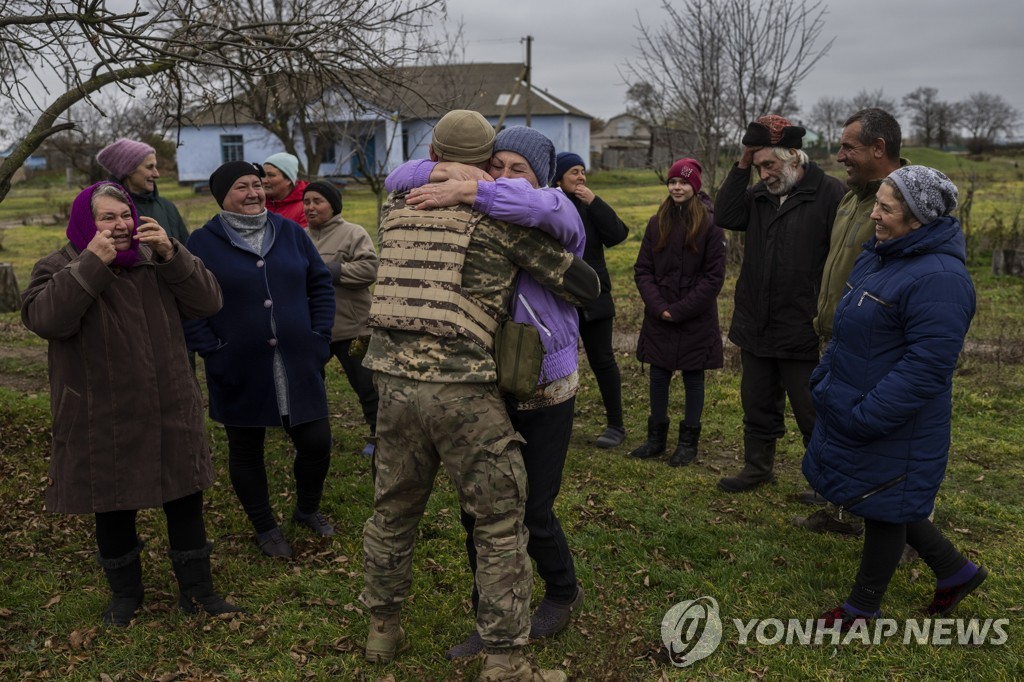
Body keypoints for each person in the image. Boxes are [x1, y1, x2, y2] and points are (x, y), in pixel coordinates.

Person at [360, 110, 598, 682]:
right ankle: (506, 661)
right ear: (486, 161)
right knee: (498, 523)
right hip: (464, 391)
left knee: (392, 511)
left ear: (433, 154)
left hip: (390, 387)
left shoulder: (395, 212)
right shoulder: (492, 221)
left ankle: (381, 633)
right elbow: (584, 284)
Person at [21, 182, 240, 625]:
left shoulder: (155, 261)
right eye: (108, 217)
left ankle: (198, 594)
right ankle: (125, 597)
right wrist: (91, 265)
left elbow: (208, 301)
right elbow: (46, 321)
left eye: (126, 215)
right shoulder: (58, 266)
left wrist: (173, 254)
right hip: (101, 413)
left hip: (168, 404)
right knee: (113, 504)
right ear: (86, 222)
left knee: (184, 499)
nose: (121, 226)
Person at [803, 166, 985, 629]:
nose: (875, 216)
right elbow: (847, 328)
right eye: (877, 203)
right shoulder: (880, 255)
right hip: (858, 402)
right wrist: (826, 377)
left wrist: (868, 414)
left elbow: (928, 365)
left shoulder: (941, 278)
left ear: (918, 220)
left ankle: (862, 609)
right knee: (883, 494)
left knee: (884, 505)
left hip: (895, 417)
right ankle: (955, 571)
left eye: (886, 208)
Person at [184, 161, 335, 559]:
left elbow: (319, 283)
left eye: (257, 184)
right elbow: (188, 304)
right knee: (246, 448)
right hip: (239, 365)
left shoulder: (290, 232)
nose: (253, 193)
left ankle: (307, 509)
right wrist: (211, 350)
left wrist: (320, 336)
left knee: (316, 442)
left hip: (299, 360)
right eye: (241, 187)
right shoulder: (202, 242)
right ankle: (265, 526)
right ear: (222, 197)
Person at [715, 115, 845, 493]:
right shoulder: (759, 196)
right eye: (758, 167)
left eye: (768, 165)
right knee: (756, 403)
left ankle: (826, 482)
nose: (764, 174)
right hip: (757, 320)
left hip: (801, 324)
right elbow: (725, 215)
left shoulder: (830, 194)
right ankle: (757, 468)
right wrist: (743, 163)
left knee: (811, 410)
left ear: (793, 156)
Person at [794, 108, 907, 536]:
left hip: (877, 343)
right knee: (835, 429)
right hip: (836, 336)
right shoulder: (851, 195)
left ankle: (904, 530)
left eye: (848, 147)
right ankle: (840, 511)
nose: (839, 155)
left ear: (879, 148)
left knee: (887, 440)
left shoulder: (907, 202)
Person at [631, 159, 726, 466]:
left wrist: (682, 310)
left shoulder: (710, 225)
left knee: (693, 376)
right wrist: (659, 307)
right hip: (660, 314)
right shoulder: (657, 222)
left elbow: (714, 277)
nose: (677, 187)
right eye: (673, 182)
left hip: (695, 316)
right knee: (658, 374)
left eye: (683, 183)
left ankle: (688, 442)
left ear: (694, 187)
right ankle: (655, 438)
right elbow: (643, 269)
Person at [551, 152, 630, 449]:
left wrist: (595, 202)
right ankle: (559, 424)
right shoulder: (552, 207)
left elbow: (618, 234)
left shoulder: (590, 206)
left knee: (603, 360)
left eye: (583, 171)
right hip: (560, 299)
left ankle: (616, 425)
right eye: (574, 172)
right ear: (558, 178)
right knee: (561, 364)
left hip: (595, 297)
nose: (581, 177)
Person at [303, 181, 380, 457]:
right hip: (314, 329)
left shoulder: (353, 233)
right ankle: (315, 439)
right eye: (307, 201)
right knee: (310, 387)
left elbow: (369, 269)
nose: (311, 207)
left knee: (368, 386)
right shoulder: (300, 237)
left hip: (352, 327)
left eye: (318, 201)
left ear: (333, 205)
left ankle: (377, 437)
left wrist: (328, 271)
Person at [96, 138, 189, 243]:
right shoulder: (104, 210)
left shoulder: (168, 207)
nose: (156, 174)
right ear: (129, 170)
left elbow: (187, 254)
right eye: (150, 167)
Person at [263, 152, 309, 227]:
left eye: (271, 175)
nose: (264, 181)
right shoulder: (259, 203)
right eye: (263, 175)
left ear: (288, 180)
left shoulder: (305, 208)